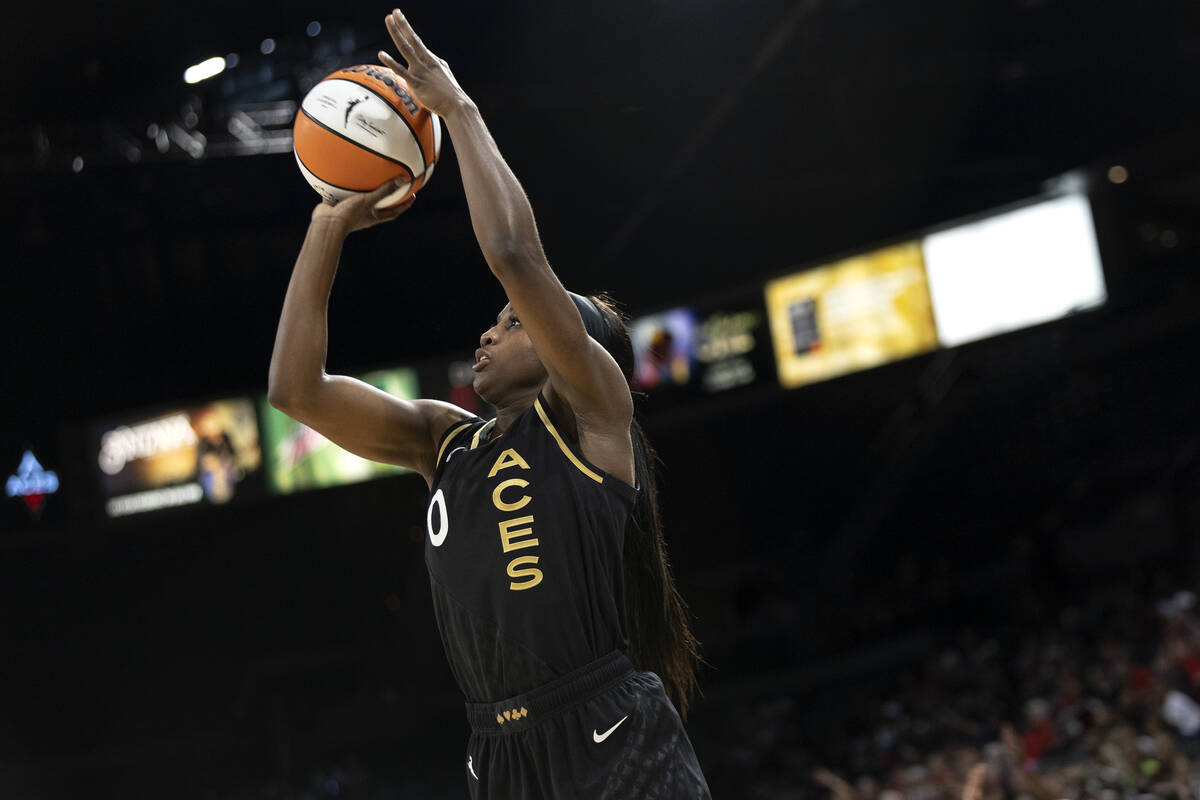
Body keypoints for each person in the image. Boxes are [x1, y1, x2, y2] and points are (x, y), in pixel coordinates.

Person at [268, 8, 710, 798]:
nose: (489, 330)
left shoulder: (590, 412)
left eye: (513, 322)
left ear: (569, 345)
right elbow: (295, 391)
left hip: (605, 729)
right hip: (497, 753)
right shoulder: (445, 443)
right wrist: (326, 226)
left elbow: (512, 253)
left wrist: (458, 110)